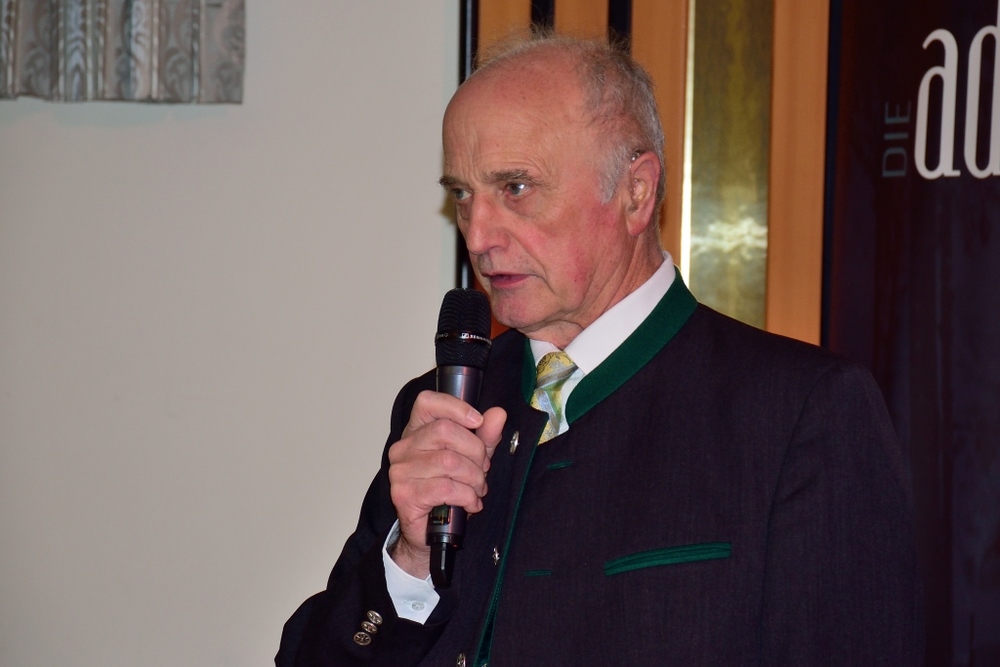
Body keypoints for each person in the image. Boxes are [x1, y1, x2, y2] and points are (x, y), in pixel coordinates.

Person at [277, 34, 923, 666]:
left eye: (516, 188)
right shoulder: (443, 405)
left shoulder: (801, 412)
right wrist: (411, 561)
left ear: (635, 192)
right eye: (463, 195)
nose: (477, 235)